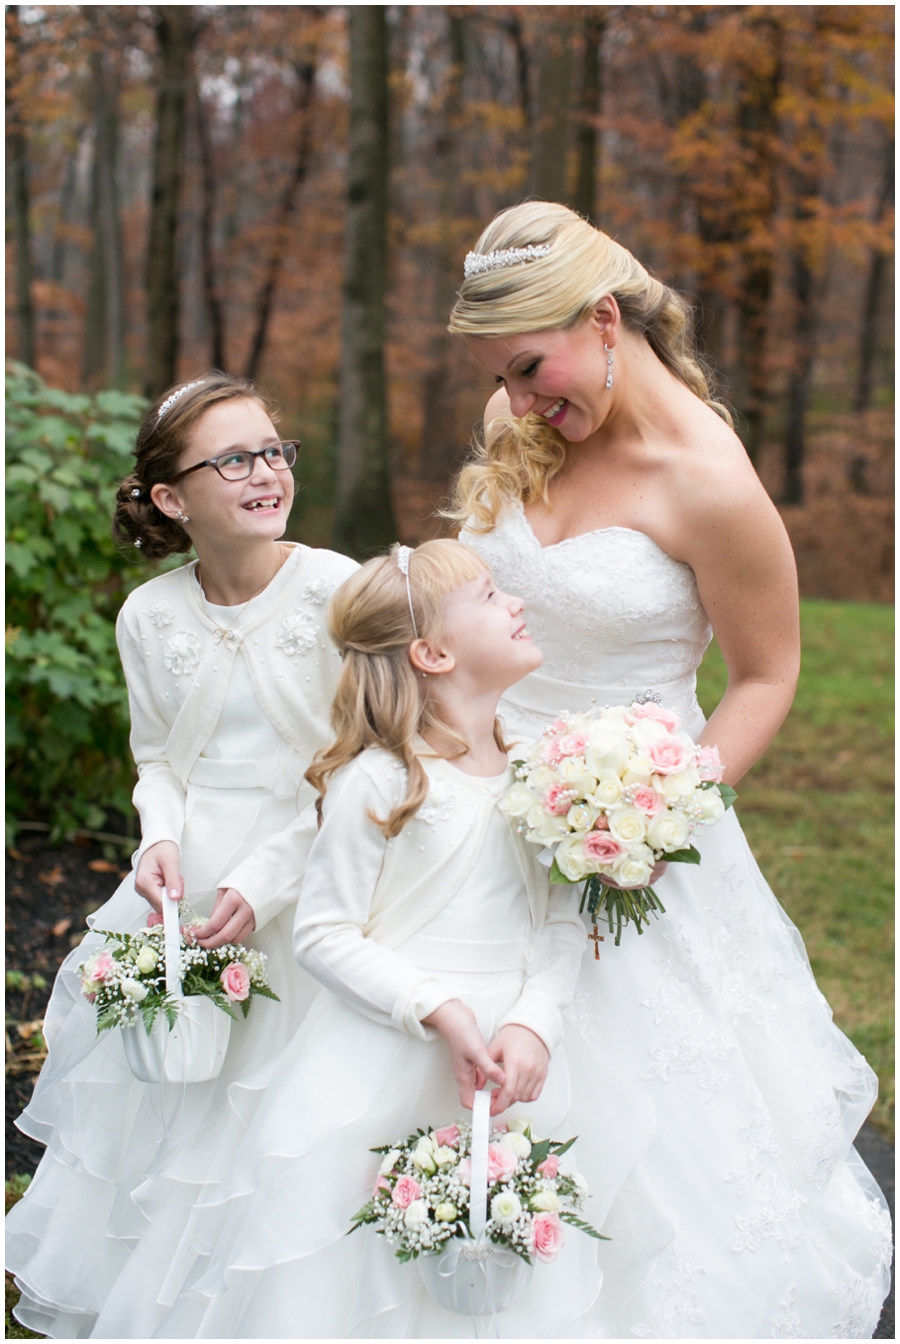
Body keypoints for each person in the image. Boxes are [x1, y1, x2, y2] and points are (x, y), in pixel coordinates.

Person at [444, 201, 891, 1337]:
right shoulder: (527, 422)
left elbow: (767, 676)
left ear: (603, 319)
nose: (519, 403)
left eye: (533, 368)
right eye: (502, 378)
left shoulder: (711, 481)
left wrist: (658, 815)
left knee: (651, 1139)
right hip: (469, 807)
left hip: (630, 835)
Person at [135, 540, 659, 1339]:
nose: (515, 603)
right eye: (489, 595)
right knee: (355, 1270)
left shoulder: (541, 775)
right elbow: (322, 933)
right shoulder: (380, 782)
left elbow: (559, 922)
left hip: (514, 1060)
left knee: (503, 1265)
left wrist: (532, 1023)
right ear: (433, 652)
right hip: (386, 1055)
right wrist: (438, 1008)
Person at [7, 372, 358, 1338]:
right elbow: (159, 757)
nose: (264, 472)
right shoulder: (148, 616)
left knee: (277, 1111)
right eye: (233, 459)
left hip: (313, 870)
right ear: (172, 498)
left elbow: (356, 761)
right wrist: (157, 836)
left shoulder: (337, 590)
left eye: (273, 451)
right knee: (173, 1104)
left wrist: (266, 878)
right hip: (186, 887)